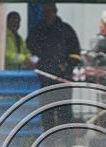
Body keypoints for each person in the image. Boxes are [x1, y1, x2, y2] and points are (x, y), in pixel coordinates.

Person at [26, 3, 81, 131]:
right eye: (45, 12)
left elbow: (75, 54)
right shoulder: (37, 31)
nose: (48, 15)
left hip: (63, 79)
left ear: (56, 11)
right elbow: (30, 51)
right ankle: (49, 145)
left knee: (65, 112)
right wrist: (35, 62)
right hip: (44, 79)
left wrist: (68, 65)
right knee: (47, 113)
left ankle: (68, 143)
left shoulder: (66, 30)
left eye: (50, 12)